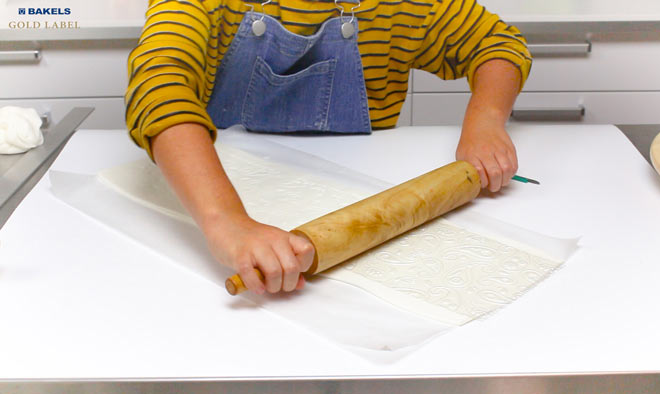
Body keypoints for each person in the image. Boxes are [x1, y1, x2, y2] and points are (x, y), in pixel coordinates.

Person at [125, 0, 532, 295]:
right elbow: (158, 83)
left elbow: (497, 43)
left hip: (363, 184)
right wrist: (226, 221)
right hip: (217, 183)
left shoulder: (403, 6)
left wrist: (486, 119)